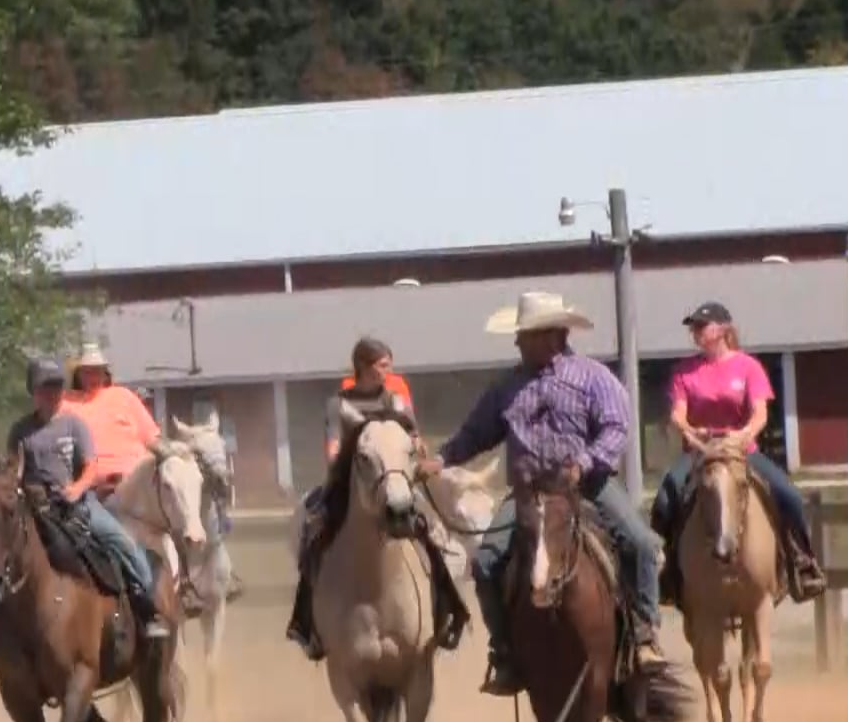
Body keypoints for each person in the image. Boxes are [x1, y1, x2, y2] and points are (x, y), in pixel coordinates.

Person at [416, 290, 669, 697]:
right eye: (520, 335)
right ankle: (505, 653)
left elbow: (615, 430)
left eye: (526, 334)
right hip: (528, 494)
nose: (518, 342)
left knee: (640, 543)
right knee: (485, 564)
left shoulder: (593, 377)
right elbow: (475, 434)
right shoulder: (507, 387)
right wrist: (442, 460)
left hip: (588, 487)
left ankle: (643, 635)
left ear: (555, 334)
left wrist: (583, 463)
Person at [0, 358, 168, 663]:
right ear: (34, 392)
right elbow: (14, 468)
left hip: (78, 505)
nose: (52, 394)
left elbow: (91, 466)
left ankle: (148, 612)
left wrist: (77, 488)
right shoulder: (21, 430)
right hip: (35, 508)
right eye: (45, 388)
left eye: (57, 387)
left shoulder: (74, 425)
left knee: (123, 544)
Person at [653, 301, 826, 603]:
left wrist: (743, 435)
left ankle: (803, 562)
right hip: (700, 452)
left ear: (722, 329)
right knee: (666, 496)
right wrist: (694, 436)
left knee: (789, 495)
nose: (695, 332)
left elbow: (759, 413)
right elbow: (678, 415)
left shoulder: (748, 367)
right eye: (693, 327)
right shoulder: (684, 371)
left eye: (701, 326)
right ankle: (666, 570)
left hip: (742, 450)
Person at [68, 342, 245, 603]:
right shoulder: (67, 405)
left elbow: (151, 438)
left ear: (106, 373)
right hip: (100, 485)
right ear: (78, 375)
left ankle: (213, 570)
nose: (93, 377)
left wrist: (177, 452)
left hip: (141, 476)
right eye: (87, 371)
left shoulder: (124, 397)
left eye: (98, 371)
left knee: (183, 480)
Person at [287, 337, 428, 660]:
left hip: (394, 482)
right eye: (382, 366)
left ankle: (446, 608)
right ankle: (306, 623)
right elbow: (333, 445)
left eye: (389, 365)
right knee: (312, 533)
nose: (388, 371)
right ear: (364, 367)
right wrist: (343, 460)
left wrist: (417, 447)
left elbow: (413, 436)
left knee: (430, 531)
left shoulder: (396, 402)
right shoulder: (339, 404)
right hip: (351, 484)